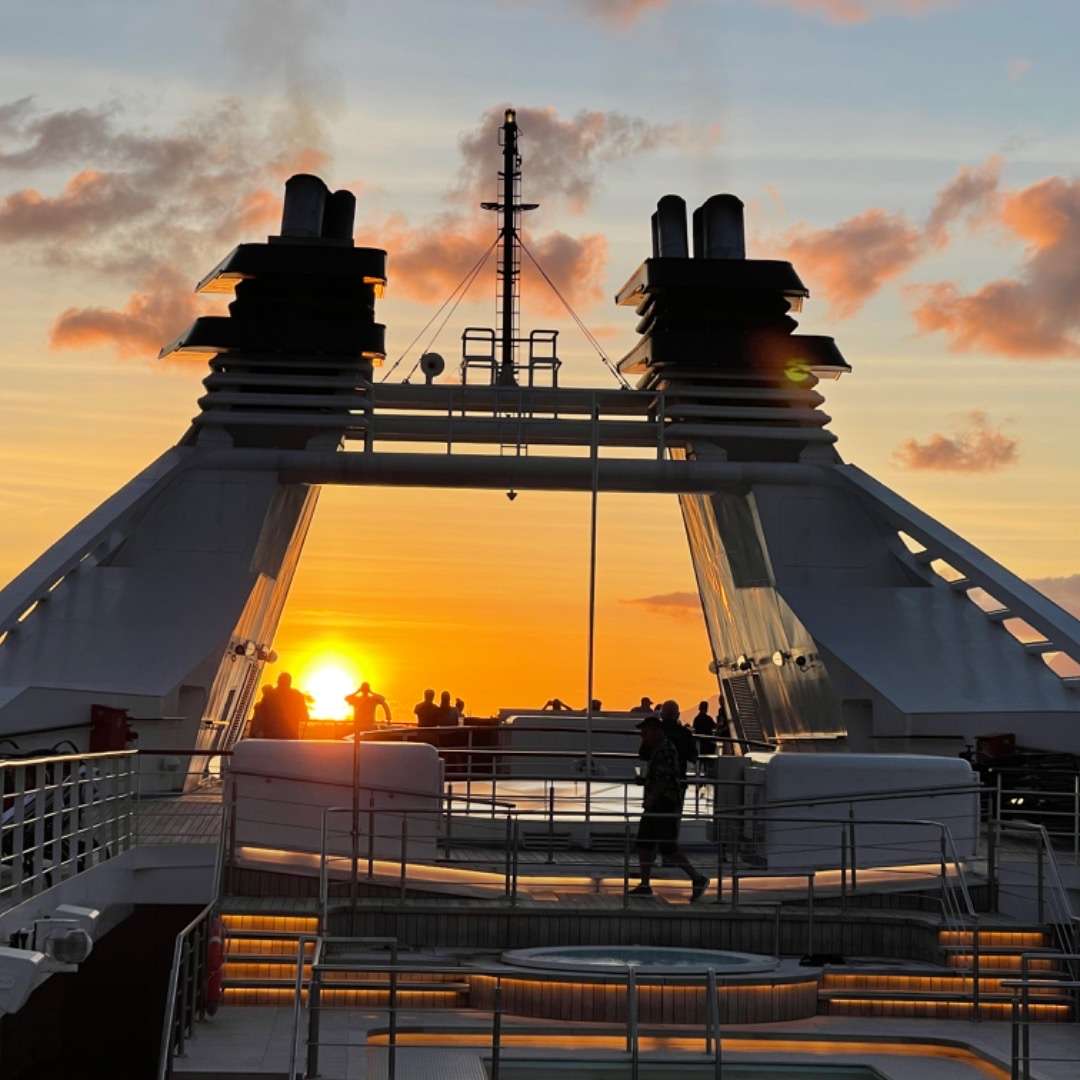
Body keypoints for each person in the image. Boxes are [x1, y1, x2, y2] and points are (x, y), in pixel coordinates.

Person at [630, 714, 708, 900]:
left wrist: (651, 797)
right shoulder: (659, 748)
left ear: (656, 731)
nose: (643, 736)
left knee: (666, 846)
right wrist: (645, 781)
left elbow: (664, 779)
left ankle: (697, 878)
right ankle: (645, 884)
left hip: (663, 803)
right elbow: (661, 775)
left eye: (645, 733)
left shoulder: (665, 750)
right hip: (659, 802)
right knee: (645, 843)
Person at [659, 699, 698, 781]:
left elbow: (644, 754)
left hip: (657, 780)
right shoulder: (685, 733)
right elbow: (693, 757)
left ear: (661, 715)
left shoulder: (655, 731)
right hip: (679, 779)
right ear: (678, 715)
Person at [271, 672, 309, 739]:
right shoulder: (297, 695)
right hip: (288, 735)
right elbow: (304, 715)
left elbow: (304, 714)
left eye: (280, 681)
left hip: (276, 735)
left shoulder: (272, 694)